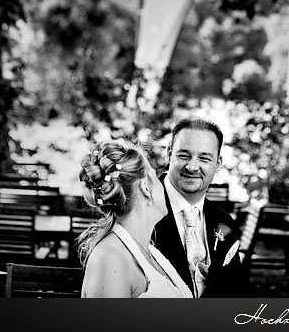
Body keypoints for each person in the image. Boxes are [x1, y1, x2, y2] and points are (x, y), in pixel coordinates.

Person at [78, 140, 193, 298]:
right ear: (146, 188)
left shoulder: (150, 251)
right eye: (156, 176)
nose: (163, 185)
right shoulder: (109, 259)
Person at [153, 118, 248, 297]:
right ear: (169, 154)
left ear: (218, 163)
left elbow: (237, 292)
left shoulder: (224, 222)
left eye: (204, 158)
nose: (192, 167)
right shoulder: (139, 210)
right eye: (184, 155)